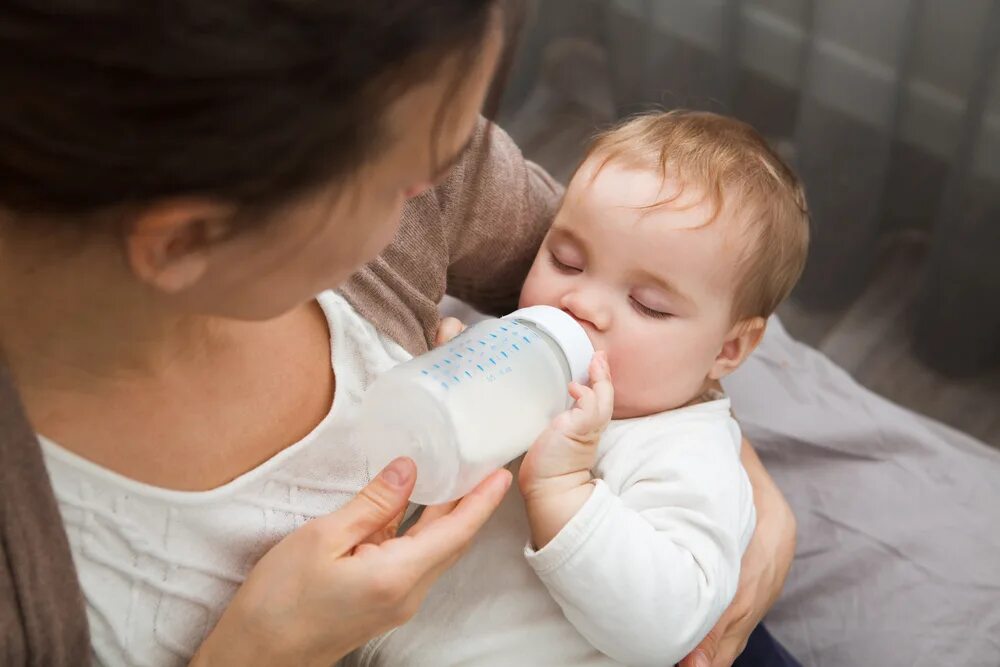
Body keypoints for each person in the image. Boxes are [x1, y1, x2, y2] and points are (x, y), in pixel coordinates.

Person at [0, 1, 795, 665]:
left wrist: (739, 479)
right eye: (409, 178)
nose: (444, 181)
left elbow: (668, 275)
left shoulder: (412, 133)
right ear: (186, 242)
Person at [356, 110, 806, 666]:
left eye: (648, 305)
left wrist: (565, 491)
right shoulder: (516, 362)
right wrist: (445, 370)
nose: (581, 304)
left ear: (727, 350)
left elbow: (667, 627)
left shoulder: (689, 457)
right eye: (564, 260)